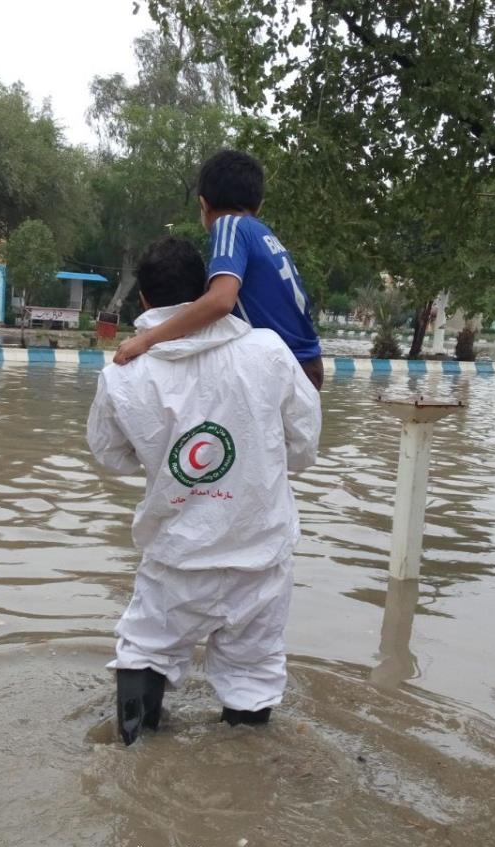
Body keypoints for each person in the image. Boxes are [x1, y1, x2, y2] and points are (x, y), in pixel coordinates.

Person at [87, 236, 322, 746]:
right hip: (260, 556)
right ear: (206, 288)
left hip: (176, 558)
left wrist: (166, 467)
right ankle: (242, 774)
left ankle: (133, 761)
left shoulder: (124, 373)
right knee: (253, 672)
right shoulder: (269, 352)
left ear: (144, 301)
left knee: (144, 648)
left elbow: (109, 455)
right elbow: (303, 446)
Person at [113, 149, 325, 390]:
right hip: (307, 363)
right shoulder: (262, 233)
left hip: (289, 369)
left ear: (204, 204)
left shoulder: (229, 225)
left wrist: (146, 340)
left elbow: (221, 301)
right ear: (259, 206)